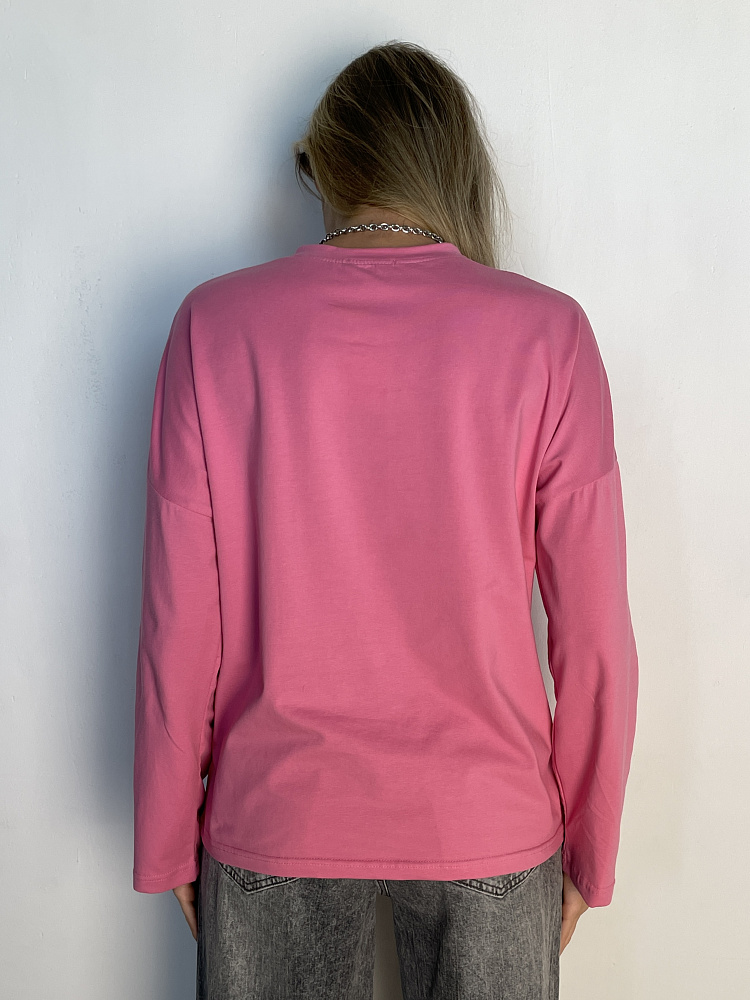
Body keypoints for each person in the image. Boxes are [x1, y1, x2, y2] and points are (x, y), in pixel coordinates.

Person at [133, 40, 638, 999]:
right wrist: (592, 845)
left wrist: (167, 833)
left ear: (328, 164)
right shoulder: (547, 335)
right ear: (452, 167)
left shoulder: (216, 326)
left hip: (277, 810)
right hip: (487, 817)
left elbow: (179, 618)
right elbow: (596, 632)